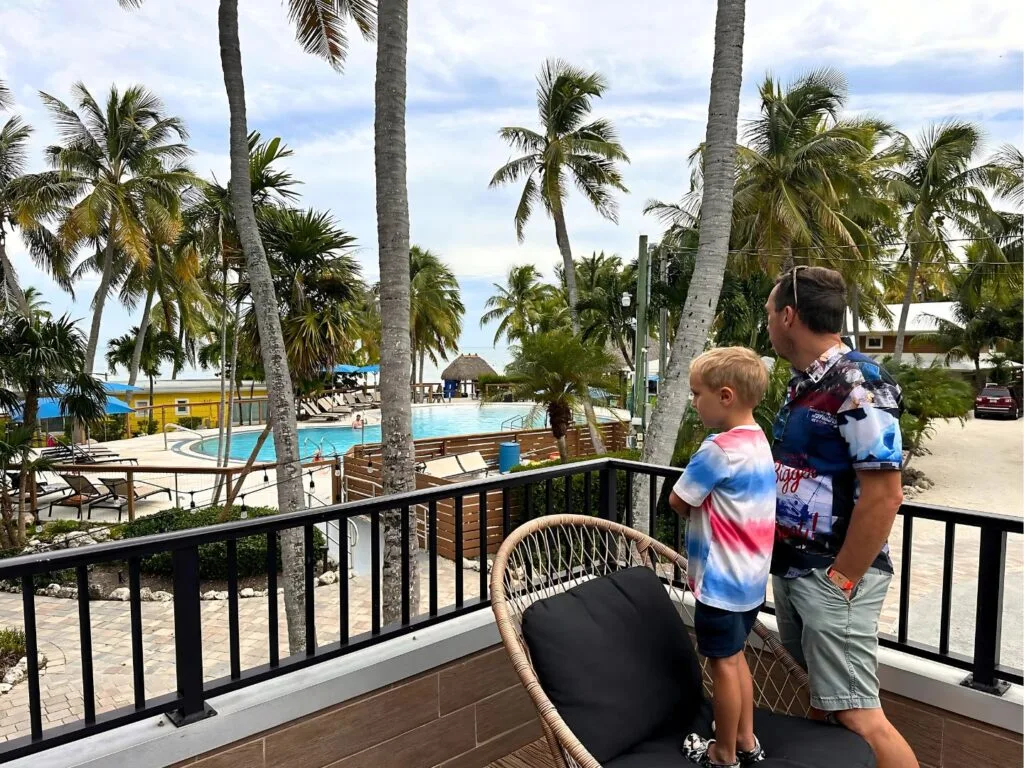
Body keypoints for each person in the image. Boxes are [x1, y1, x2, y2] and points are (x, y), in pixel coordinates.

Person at [765, 266, 918, 768]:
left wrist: (842, 579)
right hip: (796, 568)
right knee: (824, 705)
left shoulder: (859, 383)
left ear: (789, 315)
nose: (767, 323)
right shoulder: (805, 384)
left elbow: (884, 494)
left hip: (831, 575)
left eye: (770, 313)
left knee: (857, 715)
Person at [668, 346, 776, 768]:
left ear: (725, 396)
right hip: (750, 581)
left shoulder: (719, 449)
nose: (695, 402)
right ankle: (746, 740)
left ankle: (723, 753)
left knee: (723, 667)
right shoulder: (758, 440)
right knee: (735, 660)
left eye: (698, 394)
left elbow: (679, 500)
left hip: (718, 582)